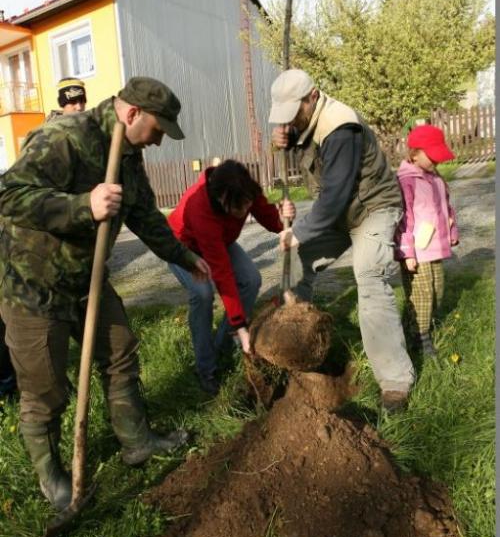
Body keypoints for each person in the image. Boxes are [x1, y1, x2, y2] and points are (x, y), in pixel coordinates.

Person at [0, 76, 211, 510]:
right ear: (132, 113)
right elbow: (10, 195)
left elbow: (145, 216)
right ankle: (53, 478)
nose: (158, 142)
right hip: (33, 283)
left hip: (86, 279)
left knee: (119, 353)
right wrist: (82, 206)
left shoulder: (128, 156)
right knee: (45, 389)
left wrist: (184, 256)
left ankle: (137, 441)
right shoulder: (63, 137)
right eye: (157, 130)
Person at [269, 68, 415, 412]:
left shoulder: (341, 126)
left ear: (313, 96)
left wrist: (299, 232)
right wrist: (287, 144)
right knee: (297, 263)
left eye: (294, 112)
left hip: (372, 209)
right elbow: (314, 162)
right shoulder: (306, 122)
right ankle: (298, 350)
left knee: (369, 278)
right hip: (338, 214)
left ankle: (395, 383)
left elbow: (334, 194)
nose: (290, 120)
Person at [167, 160, 296, 395]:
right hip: (182, 246)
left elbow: (270, 219)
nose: (244, 211)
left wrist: (285, 220)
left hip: (220, 240)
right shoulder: (201, 209)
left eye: (247, 205)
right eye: (237, 209)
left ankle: (224, 346)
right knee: (203, 294)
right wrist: (241, 325)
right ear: (221, 200)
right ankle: (206, 368)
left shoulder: (244, 188)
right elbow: (222, 273)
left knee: (251, 279)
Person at [394, 125, 459, 357]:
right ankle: (421, 338)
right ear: (414, 154)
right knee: (422, 296)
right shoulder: (406, 181)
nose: (437, 161)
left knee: (437, 291)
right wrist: (407, 252)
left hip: (435, 249)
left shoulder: (436, 178)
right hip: (417, 252)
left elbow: (446, 208)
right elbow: (404, 218)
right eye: (432, 156)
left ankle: (413, 327)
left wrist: (451, 231)